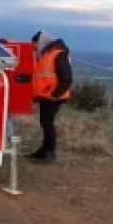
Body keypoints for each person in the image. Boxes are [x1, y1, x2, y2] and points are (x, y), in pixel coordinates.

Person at [28, 29, 73, 164]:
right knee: (45, 122)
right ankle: (44, 151)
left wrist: (55, 94)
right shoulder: (45, 54)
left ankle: (50, 153)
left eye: (35, 44)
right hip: (46, 96)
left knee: (48, 124)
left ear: (41, 42)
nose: (34, 48)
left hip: (54, 97)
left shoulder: (59, 54)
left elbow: (67, 78)